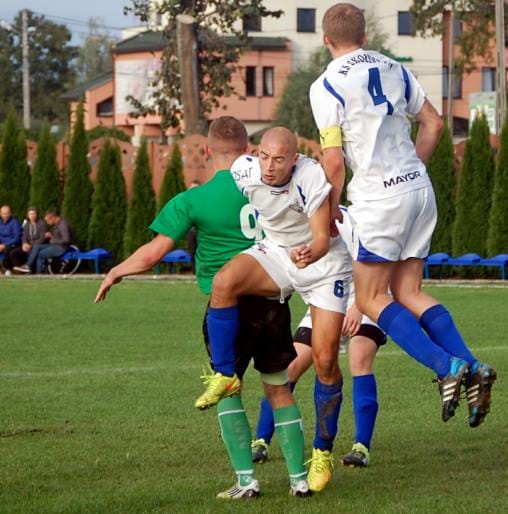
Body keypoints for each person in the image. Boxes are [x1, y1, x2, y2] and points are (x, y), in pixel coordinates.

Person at [94, 117, 311, 499]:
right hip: (274, 299)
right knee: (279, 387)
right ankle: (299, 481)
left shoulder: (194, 199)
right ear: (249, 151)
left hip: (227, 310)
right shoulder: (272, 186)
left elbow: (155, 252)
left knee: (228, 389)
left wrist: (117, 270)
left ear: (208, 151)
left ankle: (247, 481)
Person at [309, 3, 496, 431]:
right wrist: (414, 168)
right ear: (364, 36)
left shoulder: (326, 85)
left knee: (373, 299)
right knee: (408, 291)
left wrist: (330, 207)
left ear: (325, 41)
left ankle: (446, 365)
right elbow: (432, 124)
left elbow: (333, 161)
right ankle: (471, 364)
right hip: (418, 188)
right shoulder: (394, 67)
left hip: (378, 198)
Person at [204, 126, 352, 492]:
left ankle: (322, 450)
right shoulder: (244, 170)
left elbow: (321, 238)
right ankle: (224, 375)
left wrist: (310, 254)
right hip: (277, 254)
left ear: (295, 158)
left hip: (322, 265)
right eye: (265, 157)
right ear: (257, 153)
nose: (269, 167)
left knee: (325, 360)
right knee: (224, 283)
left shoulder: (310, 176)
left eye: (279, 159)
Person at [252, 286, 385, 469]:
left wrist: (358, 307)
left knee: (359, 356)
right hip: (327, 300)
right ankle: (261, 441)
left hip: (368, 299)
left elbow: (380, 267)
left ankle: (361, 447)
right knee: (291, 366)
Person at [15, 210, 71, 274]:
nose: (47, 223)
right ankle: (27, 266)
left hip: (61, 247)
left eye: (47, 221)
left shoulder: (63, 224)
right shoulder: (57, 223)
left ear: (52, 217)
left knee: (41, 254)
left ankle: (39, 274)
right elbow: (58, 236)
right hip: (54, 245)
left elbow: (66, 239)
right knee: (36, 247)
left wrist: (53, 239)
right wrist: (51, 235)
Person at [6, 207, 48, 272]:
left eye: (34, 214)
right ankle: (19, 269)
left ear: (37, 214)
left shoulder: (42, 224)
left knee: (32, 251)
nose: (32, 216)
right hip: (27, 245)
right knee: (13, 253)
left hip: (37, 245)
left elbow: (42, 238)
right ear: (28, 215)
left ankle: (29, 268)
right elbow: (24, 236)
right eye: (30, 214)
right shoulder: (26, 224)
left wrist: (31, 245)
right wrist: (24, 244)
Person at [0, 205, 22, 274]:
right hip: (1, 245)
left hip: (13, 245)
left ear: (10, 213)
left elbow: (17, 238)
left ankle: (8, 269)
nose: (5, 215)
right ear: (0, 214)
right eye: (3, 213)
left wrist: (4, 245)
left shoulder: (15, 223)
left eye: (7, 213)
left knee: (7, 250)